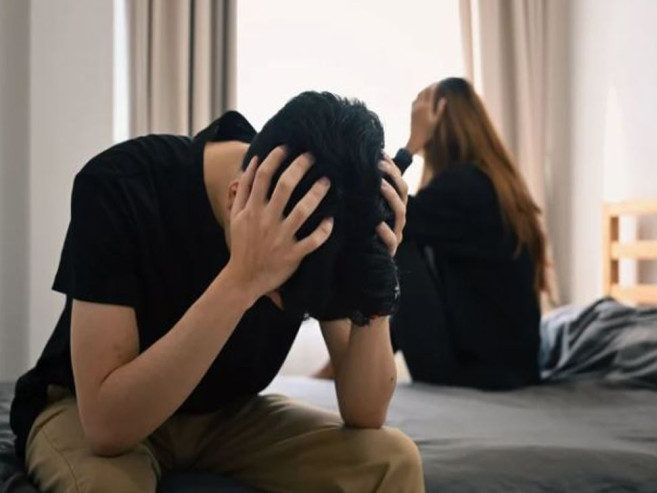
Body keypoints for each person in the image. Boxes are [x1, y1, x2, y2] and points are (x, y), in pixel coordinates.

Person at [10, 92, 424, 493]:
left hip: (225, 414)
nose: (280, 306)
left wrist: (375, 271)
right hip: (93, 406)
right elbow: (106, 426)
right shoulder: (119, 184)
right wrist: (242, 280)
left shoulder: (324, 211)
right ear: (235, 199)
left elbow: (365, 411)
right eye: (275, 291)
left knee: (393, 460)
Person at [316, 77, 547, 390]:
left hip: (482, 374)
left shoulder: (467, 186)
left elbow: (376, 205)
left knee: (395, 233)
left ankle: (343, 363)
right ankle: (346, 363)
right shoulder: (489, 184)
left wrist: (411, 145)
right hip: (508, 370)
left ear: (440, 118)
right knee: (401, 235)